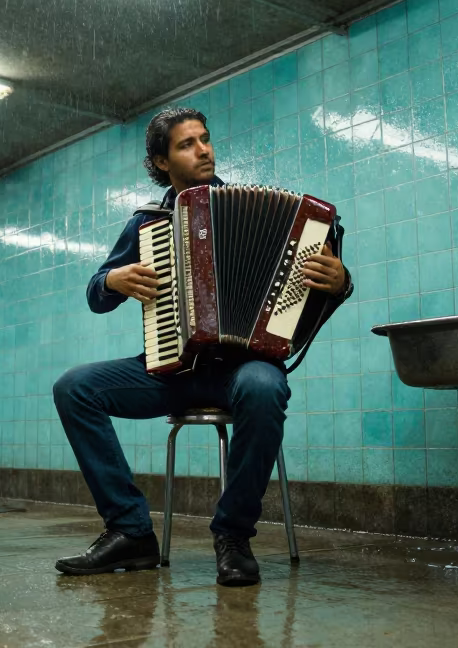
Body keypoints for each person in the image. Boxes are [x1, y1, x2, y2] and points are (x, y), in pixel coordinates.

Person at [53, 107, 353, 586]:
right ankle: (130, 531)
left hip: (243, 368)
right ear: (161, 162)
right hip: (172, 369)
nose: (203, 149)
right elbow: (96, 295)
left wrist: (339, 282)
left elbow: (311, 309)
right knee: (74, 388)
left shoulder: (271, 211)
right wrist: (114, 278)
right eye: (186, 144)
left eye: (205, 139)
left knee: (264, 386)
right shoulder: (148, 223)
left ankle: (233, 536)